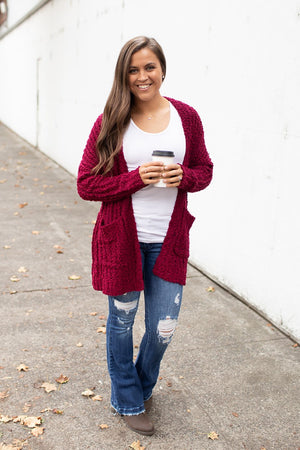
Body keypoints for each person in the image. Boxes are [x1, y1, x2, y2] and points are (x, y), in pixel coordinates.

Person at [77, 36, 213, 436]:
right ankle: (127, 398)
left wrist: (183, 177)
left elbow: (204, 170)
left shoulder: (186, 117)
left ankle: (141, 383)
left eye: (149, 67)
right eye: (133, 69)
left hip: (168, 241)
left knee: (163, 326)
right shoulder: (110, 121)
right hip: (122, 240)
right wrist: (135, 179)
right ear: (124, 75)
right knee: (122, 322)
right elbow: (86, 183)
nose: (142, 76)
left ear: (162, 70)